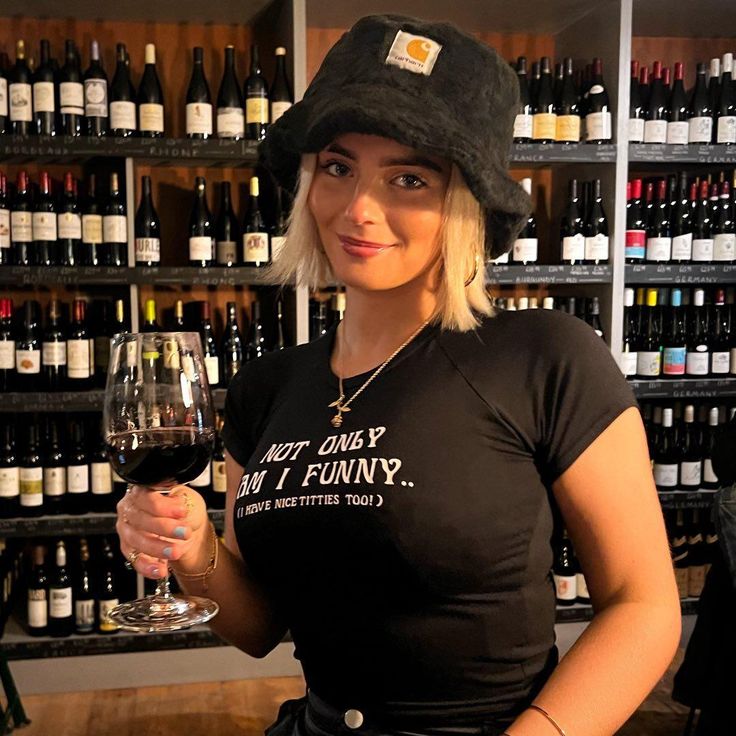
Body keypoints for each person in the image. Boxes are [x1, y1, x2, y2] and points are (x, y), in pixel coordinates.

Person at [116, 15, 681, 736]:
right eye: (338, 166)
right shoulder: (267, 388)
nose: (358, 209)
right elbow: (260, 625)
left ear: (464, 202)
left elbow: (644, 606)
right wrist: (195, 547)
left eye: (409, 177)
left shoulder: (546, 356)